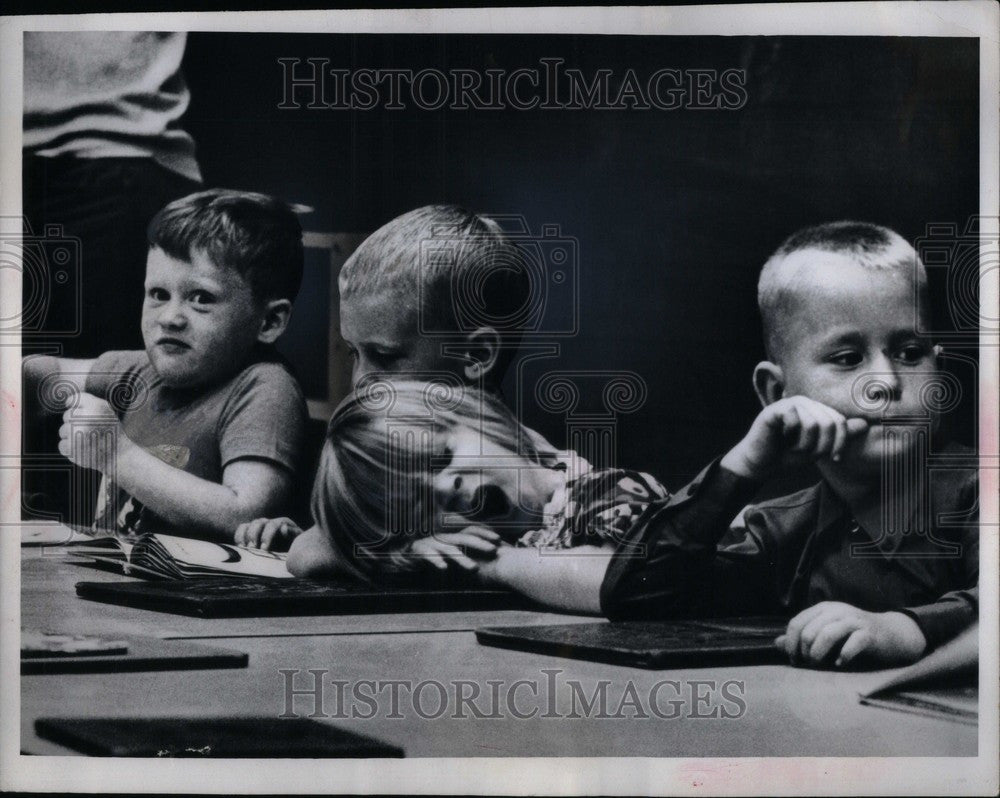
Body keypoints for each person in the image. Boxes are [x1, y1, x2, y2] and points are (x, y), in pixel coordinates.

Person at [588, 221, 977, 670]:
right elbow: (636, 597)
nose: (886, 383)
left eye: (910, 353)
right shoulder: (787, 531)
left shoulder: (978, 493)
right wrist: (744, 466)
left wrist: (908, 629)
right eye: (848, 359)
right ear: (776, 393)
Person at [235, 204, 557, 554]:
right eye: (354, 353)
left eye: (384, 357)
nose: (361, 381)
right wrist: (300, 535)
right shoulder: (387, 447)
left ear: (476, 355)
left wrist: (342, 547)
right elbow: (310, 550)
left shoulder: (517, 471)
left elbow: (315, 553)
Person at [22, 189, 309, 542]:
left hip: (198, 591)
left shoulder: (264, 387)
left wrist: (116, 455)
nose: (170, 318)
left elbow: (245, 512)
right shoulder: (140, 371)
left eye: (201, 298)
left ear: (269, 322)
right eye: (158, 294)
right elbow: (35, 377)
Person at [264, 381, 668, 582]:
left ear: (484, 422)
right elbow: (304, 554)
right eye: (420, 508)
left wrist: (488, 565)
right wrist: (397, 553)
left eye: (443, 457)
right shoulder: (485, 537)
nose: (444, 488)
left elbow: (619, 579)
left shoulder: (606, 492)